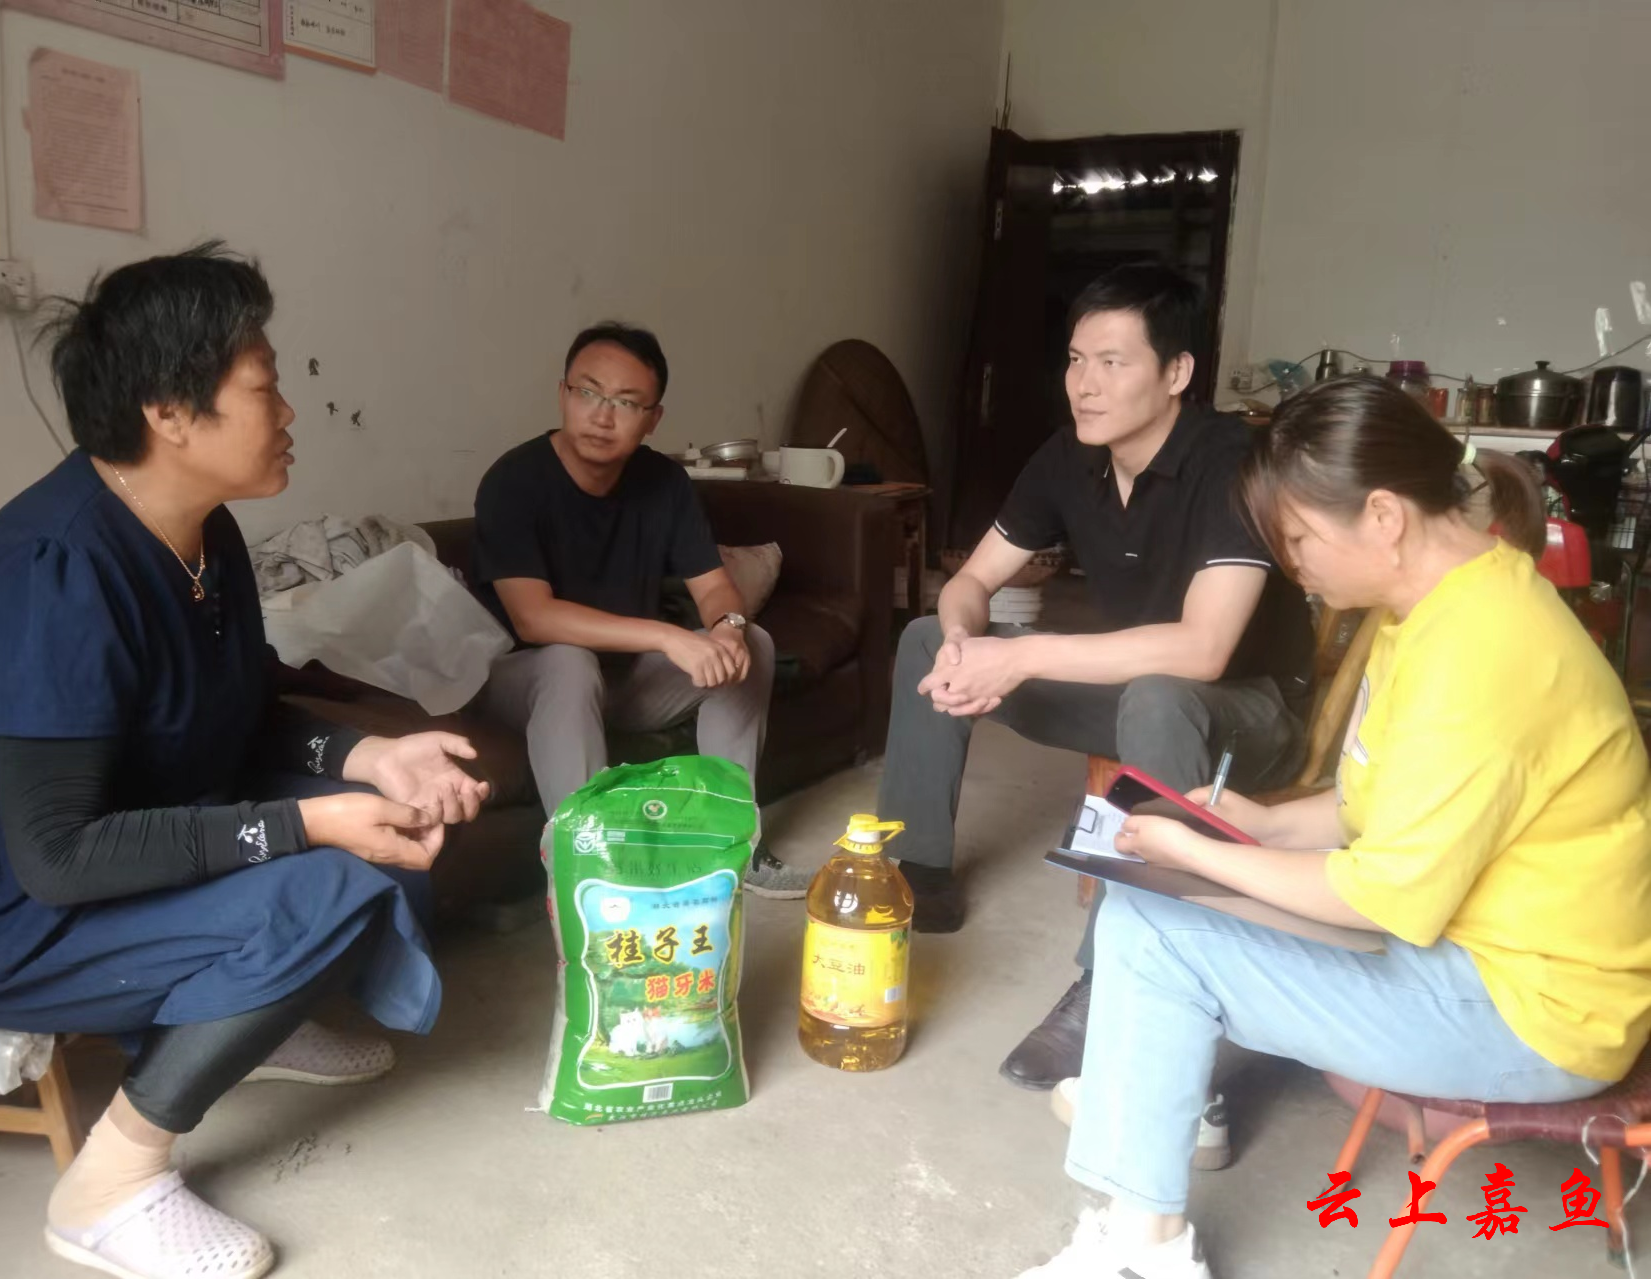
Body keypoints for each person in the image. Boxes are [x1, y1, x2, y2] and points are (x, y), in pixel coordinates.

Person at [0, 244, 491, 1279]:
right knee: (330, 878)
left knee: (380, 819)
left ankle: (239, 1013)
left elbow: (241, 710)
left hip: (137, 824)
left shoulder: (203, 533)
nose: (289, 411)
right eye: (264, 387)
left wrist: (371, 755)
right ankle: (108, 1185)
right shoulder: (53, 574)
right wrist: (310, 824)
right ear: (170, 414)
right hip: (1, 915)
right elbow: (57, 856)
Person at [1015, 375, 1651, 1279]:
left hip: (1536, 1010)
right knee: (1149, 910)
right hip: (1479, 950)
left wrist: (1198, 853)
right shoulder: (1436, 608)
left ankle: (1147, 1247)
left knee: (1157, 934)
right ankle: (1150, 1145)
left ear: (1384, 516)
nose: (1291, 563)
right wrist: (1260, 825)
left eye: (1299, 538)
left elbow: (1377, 897)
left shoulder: (1484, 651)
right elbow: (1372, 803)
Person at [876, 264, 1314, 1089]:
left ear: (1176, 372)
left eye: (1113, 362)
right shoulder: (1067, 457)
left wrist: (1023, 655)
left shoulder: (1233, 463)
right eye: (1077, 360)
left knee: (1160, 698)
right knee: (926, 636)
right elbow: (970, 581)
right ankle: (915, 874)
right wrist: (966, 646)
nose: (1084, 384)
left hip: (1250, 712)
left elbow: (1203, 650)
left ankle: (1111, 977)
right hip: (1133, 690)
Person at [469, 322, 807, 896]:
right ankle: (588, 868)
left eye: (626, 403)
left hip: (622, 683)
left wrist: (727, 628)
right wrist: (668, 636)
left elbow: (715, 589)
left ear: (653, 418)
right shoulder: (513, 482)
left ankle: (733, 845)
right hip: (520, 683)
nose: (602, 416)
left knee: (753, 645)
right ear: (562, 394)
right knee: (568, 662)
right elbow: (534, 618)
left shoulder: (664, 483)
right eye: (588, 393)